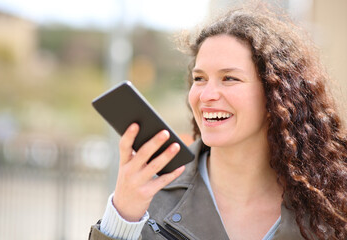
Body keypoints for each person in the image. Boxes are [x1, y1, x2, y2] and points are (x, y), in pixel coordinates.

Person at [89, 3, 347, 240]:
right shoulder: (151, 196)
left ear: (277, 94)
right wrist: (121, 219)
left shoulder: (330, 204)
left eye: (229, 78)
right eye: (200, 78)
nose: (207, 95)